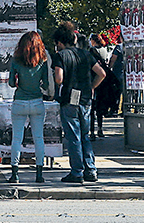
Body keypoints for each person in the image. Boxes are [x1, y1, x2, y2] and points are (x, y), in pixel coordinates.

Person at [51, 22, 105, 184]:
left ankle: (77, 172)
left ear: (60, 43)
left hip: (69, 98)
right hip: (86, 98)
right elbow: (101, 73)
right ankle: (91, 169)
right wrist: (91, 86)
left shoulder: (60, 56)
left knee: (73, 136)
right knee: (85, 135)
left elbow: (59, 78)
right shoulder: (86, 54)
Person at [8, 30, 50, 184]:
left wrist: (19, 80)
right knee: (38, 138)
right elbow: (45, 84)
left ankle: (15, 174)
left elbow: (11, 83)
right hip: (37, 102)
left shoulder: (16, 61)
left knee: (17, 138)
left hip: (19, 101)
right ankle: (39, 174)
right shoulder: (42, 61)